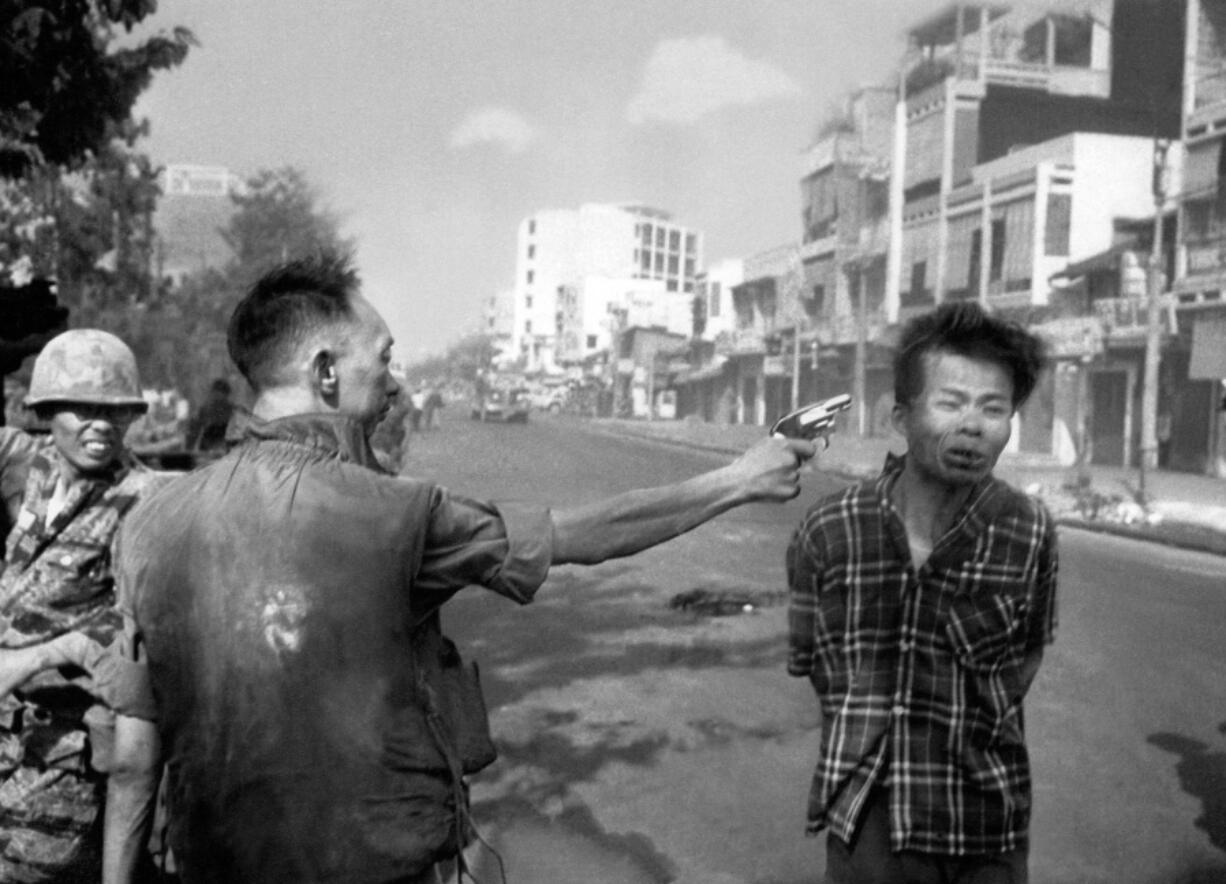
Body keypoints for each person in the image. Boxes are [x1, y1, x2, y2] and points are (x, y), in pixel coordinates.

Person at [105, 251, 815, 884]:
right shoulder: (397, 515)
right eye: (382, 360)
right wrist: (740, 479)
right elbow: (586, 534)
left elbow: (136, 754)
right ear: (325, 371)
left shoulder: (148, 526)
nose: (393, 383)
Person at [787, 301, 1056, 884]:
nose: (974, 425)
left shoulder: (1028, 529)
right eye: (951, 403)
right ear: (901, 418)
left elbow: (1026, 658)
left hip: (984, 828)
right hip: (865, 823)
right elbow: (813, 661)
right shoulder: (829, 530)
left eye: (994, 408)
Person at [0, 329, 169, 883]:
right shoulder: (32, 468)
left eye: (115, 412)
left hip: (64, 743)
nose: (101, 425)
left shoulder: (143, 501)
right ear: (48, 412)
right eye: (82, 409)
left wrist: (41, 654)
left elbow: (136, 621)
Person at [187, 378, 236, 454]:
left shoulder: (205, 408)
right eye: (216, 394)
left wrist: (189, 448)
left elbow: (194, 430)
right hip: (221, 447)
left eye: (220, 394)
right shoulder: (231, 409)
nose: (218, 397)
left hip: (211, 447)